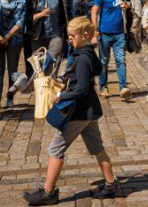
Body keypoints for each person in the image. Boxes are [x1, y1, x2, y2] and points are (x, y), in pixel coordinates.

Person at [23, 16, 118, 205]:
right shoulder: (87, 54)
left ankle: (48, 192)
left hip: (79, 112)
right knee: (98, 149)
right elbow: (79, 82)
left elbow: (81, 89)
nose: (69, 40)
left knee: (55, 148)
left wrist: (61, 96)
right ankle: (111, 185)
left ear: (84, 35)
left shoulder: (82, 59)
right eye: (68, 37)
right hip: (88, 111)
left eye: (72, 36)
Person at [90, 0, 133, 100]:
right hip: (105, 33)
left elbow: (130, 6)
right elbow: (94, 11)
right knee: (104, 62)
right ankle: (103, 87)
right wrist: (95, 29)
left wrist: (127, 6)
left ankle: (123, 88)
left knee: (121, 60)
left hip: (120, 33)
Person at [31, 0, 73, 71]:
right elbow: (28, 17)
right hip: (39, 35)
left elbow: (69, 14)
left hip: (56, 34)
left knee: (50, 59)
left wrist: (70, 31)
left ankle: (49, 80)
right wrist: (41, 14)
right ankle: (44, 85)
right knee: (40, 68)